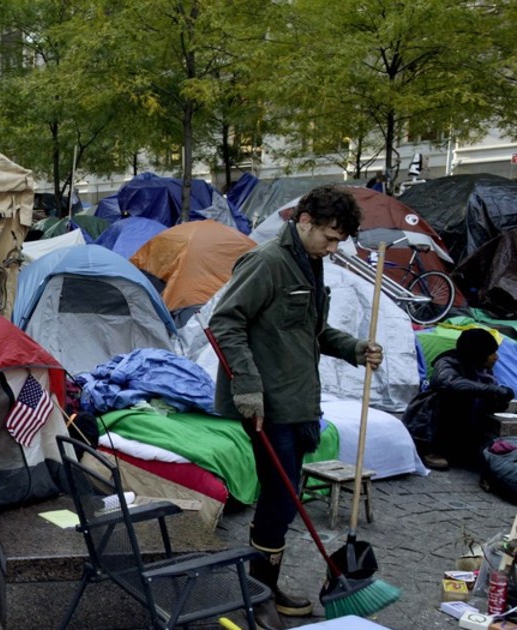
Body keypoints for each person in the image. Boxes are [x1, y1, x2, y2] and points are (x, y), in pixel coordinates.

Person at [209, 184, 383, 623]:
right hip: (267, 405)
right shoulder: (266, 261)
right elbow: (224, 323)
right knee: (280, 500)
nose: (333, 246)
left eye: (339, 240)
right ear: (305, 221)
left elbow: (313, 332)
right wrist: (247, 386)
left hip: (300, 401)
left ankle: (263, 586)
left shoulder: (310, 262)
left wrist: (356, 348)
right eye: (329, 236)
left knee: (285, 498)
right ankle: (259, 595)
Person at [403, 328, 514, 470]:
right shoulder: (448, 361)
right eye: (492, 353)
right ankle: (430, 450)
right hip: (431, 423)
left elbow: (490, 392)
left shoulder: (482, 370)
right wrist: (491, 390)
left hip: (466, 427)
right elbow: (445, 382)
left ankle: (463, 449)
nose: (496, 357)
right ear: (480, 353)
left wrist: (500, 398)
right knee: (451, 397)